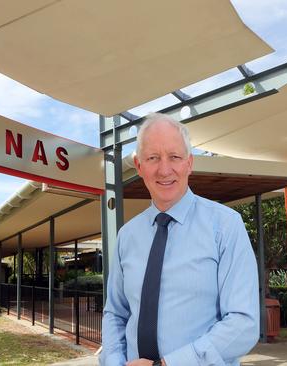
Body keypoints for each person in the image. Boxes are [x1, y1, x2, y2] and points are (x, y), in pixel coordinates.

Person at [101, 113, 260, 366]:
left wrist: (166, 364)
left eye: (174, 157)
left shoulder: (226, 225)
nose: (165, 169)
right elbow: (115, 313)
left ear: (189, 163)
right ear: (139, 166)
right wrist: (113, 361)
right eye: (153, 158)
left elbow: (243, 323)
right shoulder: (126, 236)